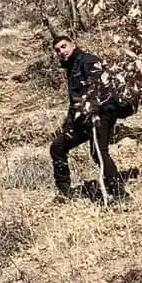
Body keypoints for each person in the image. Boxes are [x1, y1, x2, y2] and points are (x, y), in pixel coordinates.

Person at [48, 34, 129, 204]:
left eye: (64, 47)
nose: (61, 52)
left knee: (98, 151)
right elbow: (75, 102)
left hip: (102, 112)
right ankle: (65, 192)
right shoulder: (71, 67)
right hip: (83, 117)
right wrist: (68, 125)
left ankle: (120, 193)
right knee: (58, 146)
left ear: (73, 45)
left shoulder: (87, 60)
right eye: (57, 50)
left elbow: (99, 87)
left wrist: (93, 111)